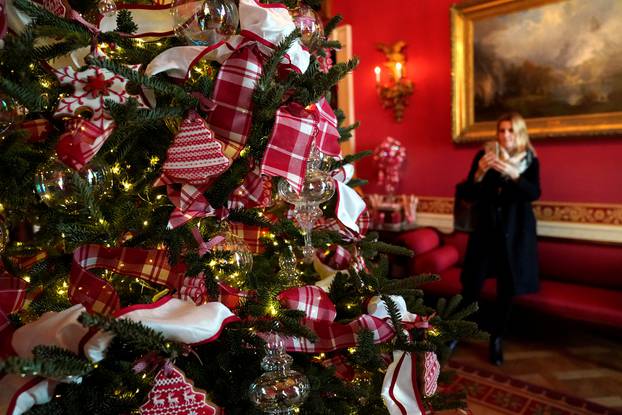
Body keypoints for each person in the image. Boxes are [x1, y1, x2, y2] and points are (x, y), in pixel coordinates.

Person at [459, 112, 541, 365]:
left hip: (515, 232)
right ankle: (456, 331)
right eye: (501, 130)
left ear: (519, 133)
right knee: (472, 283)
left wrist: (514, 175)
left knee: (506, 288)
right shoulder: (484, 155)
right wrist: (479, 174)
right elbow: (469, 194)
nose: (504, 135)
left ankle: (496, 338)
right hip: (486, 230)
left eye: (510, 131)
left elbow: (534, 193)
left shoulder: (529, 160)